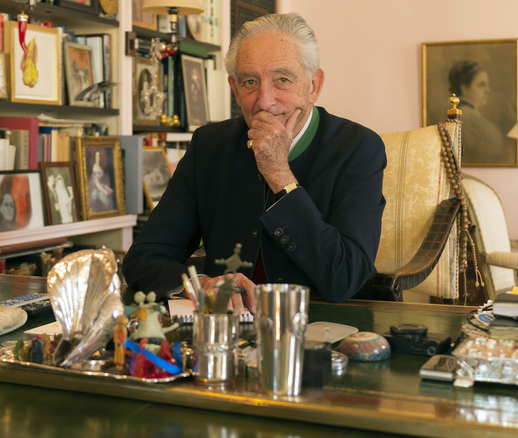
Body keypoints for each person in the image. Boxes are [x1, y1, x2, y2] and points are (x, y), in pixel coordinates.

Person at [121, 13, 386, 311]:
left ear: (313, 85)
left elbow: (345, 278)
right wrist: (199, 284)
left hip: (323, 328)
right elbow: (144, 257)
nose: (264, 100)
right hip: (225, 331)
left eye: (282, 80)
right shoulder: (209, 145)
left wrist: (278, 173)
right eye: (250, 82)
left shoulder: (358, 148)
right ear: (235, 89)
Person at [448, 60, 507, 164]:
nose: (487, 90)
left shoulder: (469, 116)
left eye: (487, 84)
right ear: (464, 88)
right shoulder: (466, 117)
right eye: (481, 85)